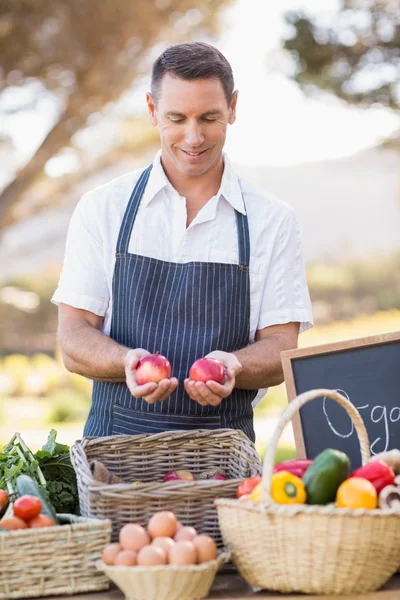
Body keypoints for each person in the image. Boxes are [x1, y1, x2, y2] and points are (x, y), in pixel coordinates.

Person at [52, 42, 313, 442]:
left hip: (223, 465)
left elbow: (282, 348)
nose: (193, 137)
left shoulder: (272, 220)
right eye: (177, 118)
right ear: (152, 110)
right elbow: (73, 337)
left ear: (233, 108)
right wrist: (125, 361)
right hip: (114, 456)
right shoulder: (104, 208)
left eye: (209, 117)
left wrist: (235, 365)